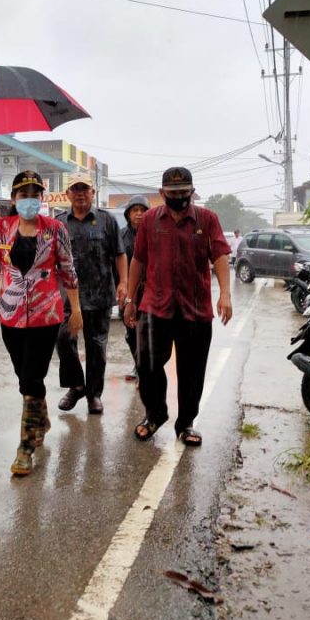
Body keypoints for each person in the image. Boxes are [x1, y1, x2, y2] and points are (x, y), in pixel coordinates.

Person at [0, 171, 82, 477]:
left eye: (35, 195)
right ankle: (40, 419)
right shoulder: (1, 228)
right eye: (24, 195)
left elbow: (68, 269)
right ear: (14, 199)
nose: (30, 200)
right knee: (24, 376)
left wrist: (76, 309)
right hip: (11, 313)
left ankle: (26, 447)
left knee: (32, 377)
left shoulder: (55, 229)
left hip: (46, 314)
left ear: (42, 198)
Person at [122, 166, 232, 446]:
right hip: (155, 305)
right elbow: (139, 260)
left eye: (184, 192)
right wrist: (130, 299)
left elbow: (220, 255)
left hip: (195, 308)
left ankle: (186, 424)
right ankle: (155, 414)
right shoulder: (150, 220)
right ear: (162, 193)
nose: (179, 197)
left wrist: (225, 294)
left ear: (192, 192)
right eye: (173, 193)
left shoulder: (207, 219)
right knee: (146, 363)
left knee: (192, 371)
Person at [54, 173, 127, 415]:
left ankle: (94, 395)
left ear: (92, 193)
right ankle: (76, 386)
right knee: (63, 338)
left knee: (96, 347)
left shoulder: (107, 221)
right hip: (67, 296)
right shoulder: (58, 223)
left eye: (84, 189)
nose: (80, 194)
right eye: (75, 189)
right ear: (67, 194)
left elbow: (120, 254)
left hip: (100, 295)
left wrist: (123, 282)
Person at [119, 195, 150, 381]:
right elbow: (115, 262)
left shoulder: (154, 233)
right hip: (128, 291)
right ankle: (138, 365)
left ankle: (144, 369)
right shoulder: (121, 236)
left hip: (149, 291)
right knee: (131, 334)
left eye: (143, 210)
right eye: (135, 210)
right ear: (128, 214)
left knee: (146, 332)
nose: (139, 214)